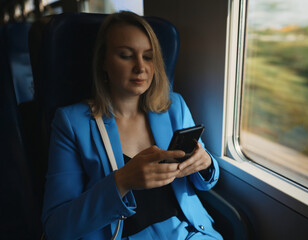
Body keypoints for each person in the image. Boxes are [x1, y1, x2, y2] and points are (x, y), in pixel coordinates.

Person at [41, 11, 222, 240]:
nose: (140, 67)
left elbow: (203, 182)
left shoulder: (173, 105)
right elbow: (57, 227)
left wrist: (205, 163)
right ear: (103, 62)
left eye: (148, 57)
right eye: (126, 55)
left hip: (189, 233)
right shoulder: (71, 123)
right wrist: (122, 181)